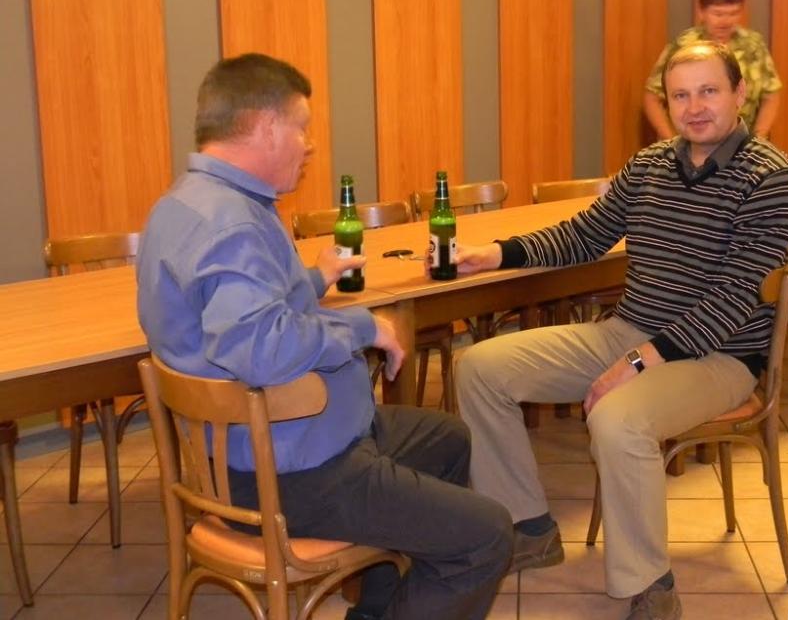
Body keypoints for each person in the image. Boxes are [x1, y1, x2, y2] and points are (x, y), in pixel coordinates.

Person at [136, 53, 512, 620]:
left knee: (447, 439)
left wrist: (313, 280)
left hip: (244, 451)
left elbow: (236, 310)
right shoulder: (233, 223)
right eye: (302, 127)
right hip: (289, 471)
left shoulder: (182, 204)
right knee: (487, 536)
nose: (309, 145)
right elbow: (262, 350)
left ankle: (379, 607)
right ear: (267, 126)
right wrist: (364, 326)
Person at [453, 42, 788, 620]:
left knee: (617, 419)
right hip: (629, 330)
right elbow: (584, 235)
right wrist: (495, 253)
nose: (694, 107)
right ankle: (529, 528)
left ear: (740, 94)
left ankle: (650, 586)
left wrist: (638, 362)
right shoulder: (650, 165)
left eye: (709, 91)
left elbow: (734, 297)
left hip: (719, 357)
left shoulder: (771, 179)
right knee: (479, 367)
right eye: (680, 95)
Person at [643, 0, 782, 140]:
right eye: (718, 14)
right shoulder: (683, 45)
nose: (725, 22)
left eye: (733, 14)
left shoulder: (753, 45)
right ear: (702, 13)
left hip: (742, 145)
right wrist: (671, 142)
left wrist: (758, 138)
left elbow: (771, 95)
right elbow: (652, 97)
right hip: (690, 146)